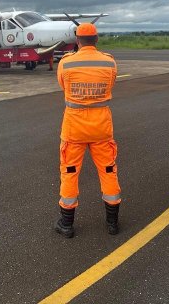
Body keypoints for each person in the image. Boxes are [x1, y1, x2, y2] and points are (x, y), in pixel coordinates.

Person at [54, 22, 121, 238]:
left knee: (70, 173)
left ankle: (66, 224)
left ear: (77, 40)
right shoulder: (110, 63)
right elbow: (111, 86)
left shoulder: (66, 63)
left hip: (74, 129)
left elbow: (63, 86)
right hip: (101, 128)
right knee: (108, 171)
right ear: (97, 39)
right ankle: (112, 223)